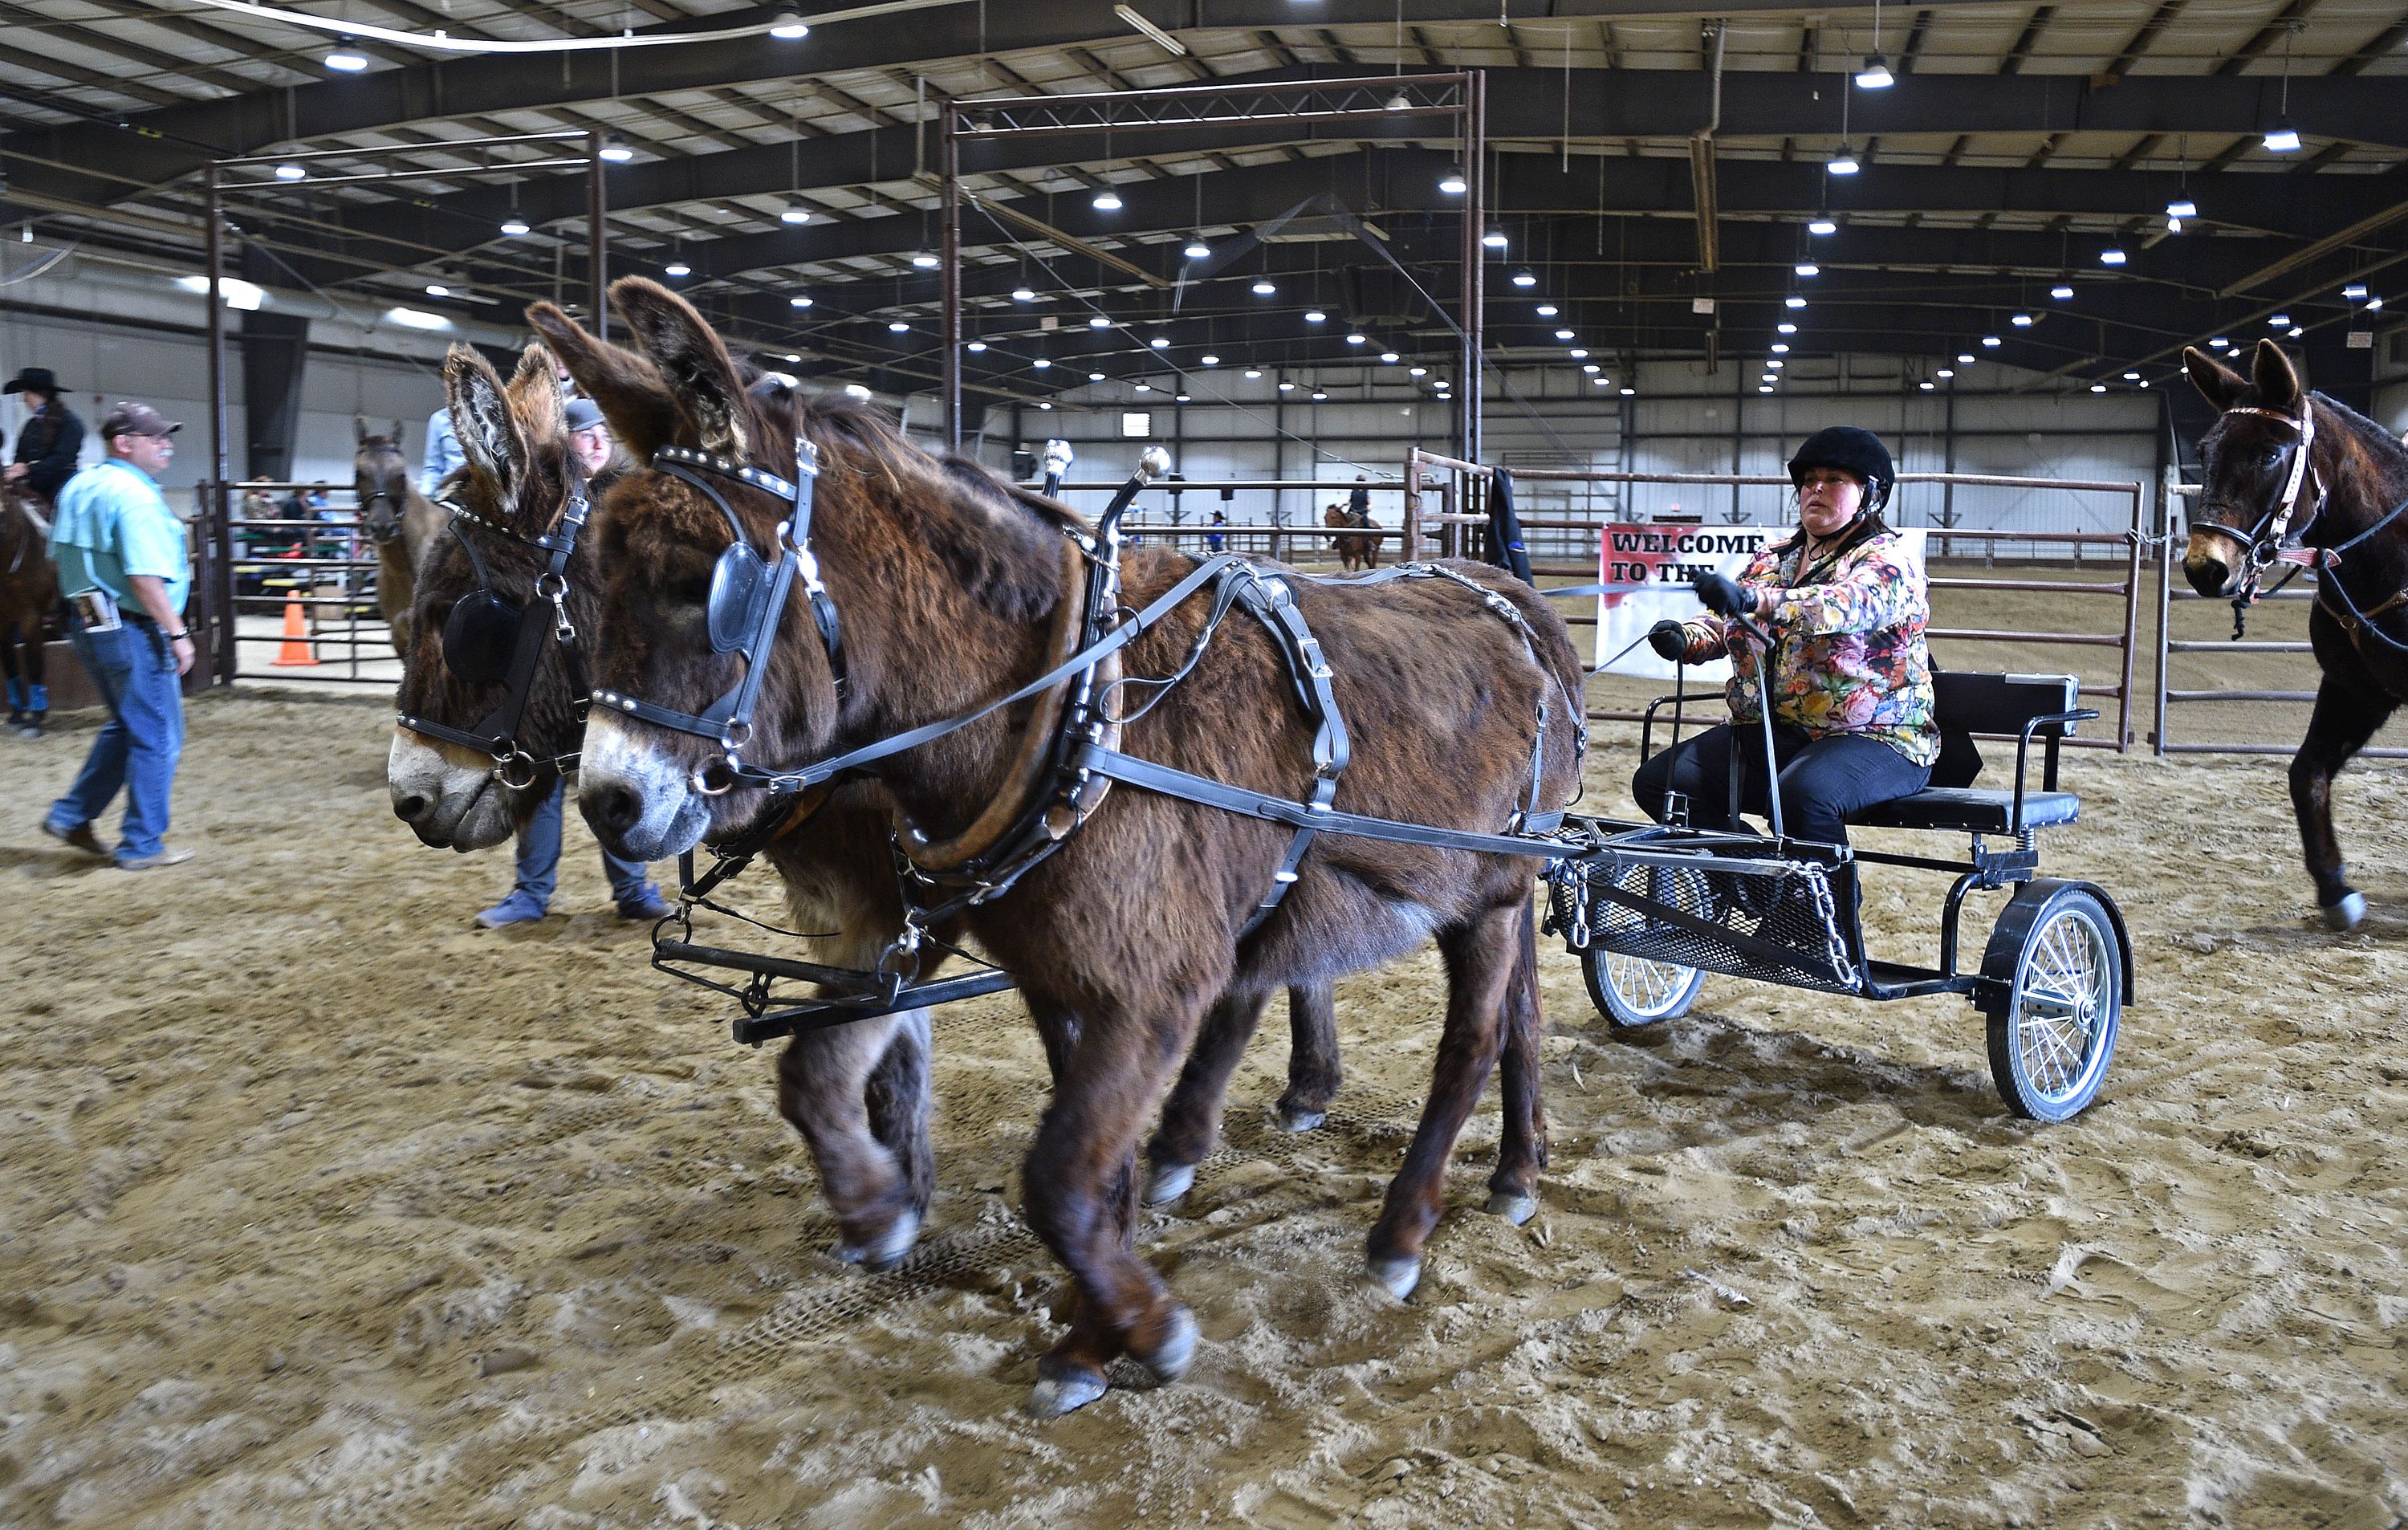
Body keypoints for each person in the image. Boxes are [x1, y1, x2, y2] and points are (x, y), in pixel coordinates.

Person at [1630, 425, 1936, 853]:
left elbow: (1843, 606)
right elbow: (1731, 622)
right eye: (1809, 480)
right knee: (1662, 784)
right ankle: (1767, 892)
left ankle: (1831, 913)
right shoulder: (1774, 558)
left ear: (1871, 494)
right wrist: (1688, 638)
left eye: (1835, 480)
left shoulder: (1888, 560)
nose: (1817, 489)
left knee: (1802, 796)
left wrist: (1755, 599)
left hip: (1876, 738)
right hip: (1774, 736)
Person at [476, 396, 667, 927]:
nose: (599, 440)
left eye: (605, 432)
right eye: (586, 433)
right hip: (550, 675)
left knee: (615, 785)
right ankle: (530, 896)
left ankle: (635, 891)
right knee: (538, 782)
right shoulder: (544, 503)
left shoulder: (635, 504)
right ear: (566, 442)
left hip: (609, 673)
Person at [39, 402, 197, 870]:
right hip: (133, 627)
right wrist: (178, 631)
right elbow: (144, 577)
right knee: (159, 736)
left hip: (89, 621)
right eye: (155, 438)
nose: (165, 444)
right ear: (123, 443)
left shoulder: (80, 485)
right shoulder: (135, 497)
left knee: (128, 725)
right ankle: (142, 844)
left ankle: (71, 815)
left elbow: (56, 557)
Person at [421, 404, 462, 496]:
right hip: (450, 496)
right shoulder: (439, 419)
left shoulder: (494, 417)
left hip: (488, 498)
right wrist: (424, 500)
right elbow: (433, 468)